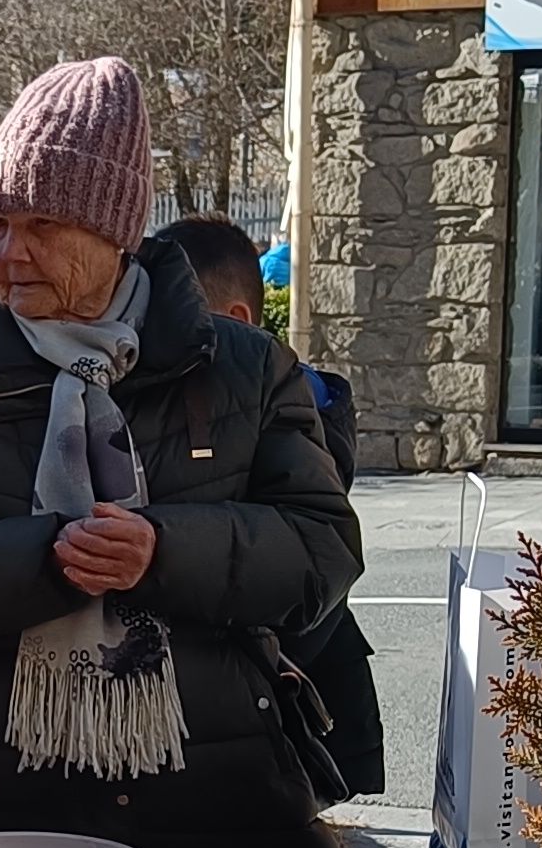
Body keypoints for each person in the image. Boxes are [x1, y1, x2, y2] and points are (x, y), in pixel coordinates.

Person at [0, 58, 364, 848]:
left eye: (42, 225)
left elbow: (322, 554)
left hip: (220, 813)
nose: (9, 253)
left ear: (115, 230)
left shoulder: (248, 369)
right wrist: (49, 559)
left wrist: (162, 552)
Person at [161, 209, 383, 798]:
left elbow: (306, 571)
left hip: (289, 715)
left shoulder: (294, 416)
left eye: (169, 315)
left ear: (238, 323)